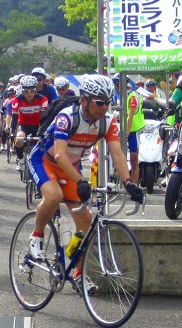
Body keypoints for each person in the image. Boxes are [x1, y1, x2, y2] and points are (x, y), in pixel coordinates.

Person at [28, 74, 143, 286]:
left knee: (86, 225)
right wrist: (81, 181)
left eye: (108, 102)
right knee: (54, 196)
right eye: (99, 102)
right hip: (44, 160)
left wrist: (128, 182)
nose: (104, 107)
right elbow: (60, 155)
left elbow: (117, 153)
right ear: (84, 100)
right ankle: (36, 235)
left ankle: (78, 272)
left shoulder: (108, 122)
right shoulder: (67, 117)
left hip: (69, 168)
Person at [10, 75, 49, 171]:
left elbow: (45, 117)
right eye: (26, 91)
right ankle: (21, 159)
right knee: (19, 139)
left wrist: (45, 131)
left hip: (38, 126)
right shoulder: (16, 100)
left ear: (36, 90)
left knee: (42, 145)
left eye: (32, 91)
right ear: (22, 91)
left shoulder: (43, 99)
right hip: (23, 126)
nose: (29, 94)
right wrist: (12, 132)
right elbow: (14, 118)